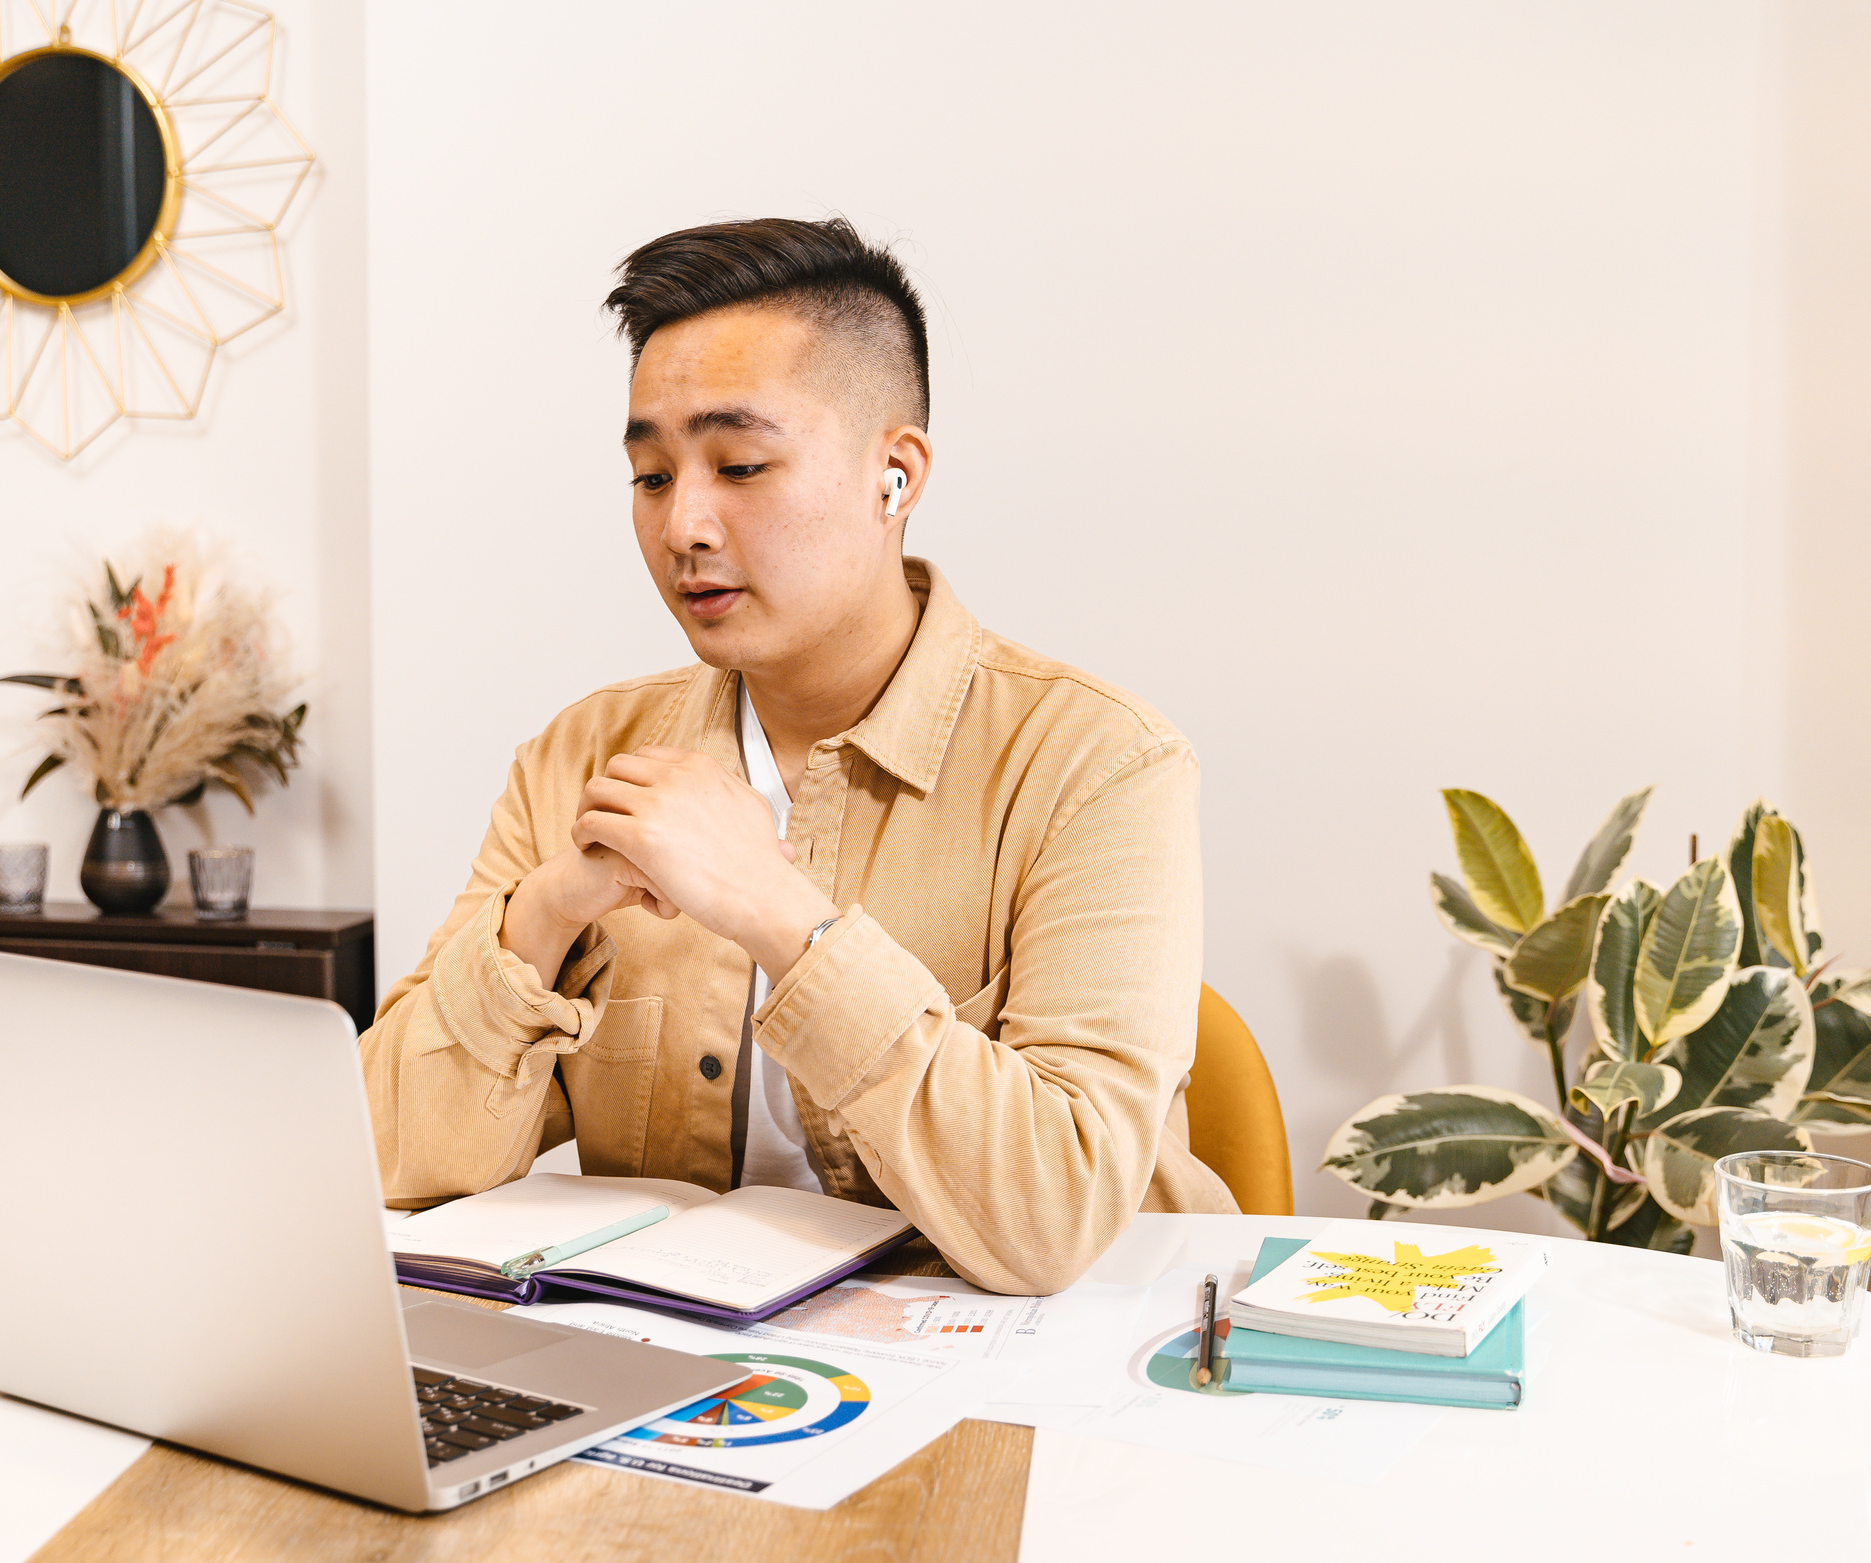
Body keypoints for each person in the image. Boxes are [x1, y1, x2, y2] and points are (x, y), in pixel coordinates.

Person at [361, 217, 1237, 1294]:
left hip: (1042, 1391)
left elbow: (1048, 1222)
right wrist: (541, 917)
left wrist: (778, 912)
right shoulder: (580, 757)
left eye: (740, 465)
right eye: (649, 476)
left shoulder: (1098, 763)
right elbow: (386, 1157)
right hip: (692, 1392)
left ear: (895, 476)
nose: (684, 522)